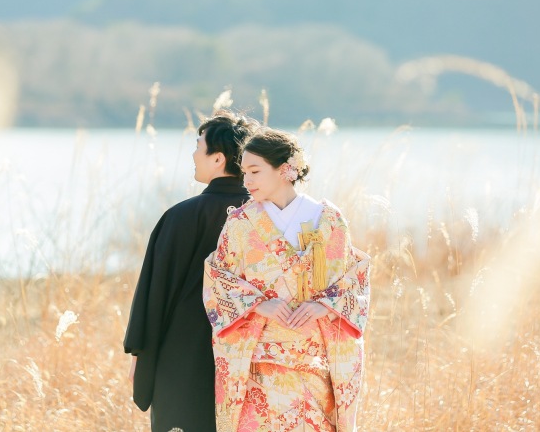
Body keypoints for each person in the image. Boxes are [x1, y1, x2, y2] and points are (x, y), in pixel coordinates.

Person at [203, 128, 370, 431]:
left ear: (285, 170)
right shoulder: (240, 223)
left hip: (315, 360)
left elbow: (353, 279)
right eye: (244, 172)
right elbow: (217, 279)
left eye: (255, 171)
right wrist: (256, 305)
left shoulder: (329, 219)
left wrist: (326, 306)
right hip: (258, 360)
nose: (247, 181)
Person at [124, 111, 259, 432]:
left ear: (218, 159)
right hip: (251, 354)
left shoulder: (180, 216)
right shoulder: (267, 216)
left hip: (182, 353)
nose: (193, 154)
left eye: (199, 146)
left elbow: (155, 293)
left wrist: (141, 357)